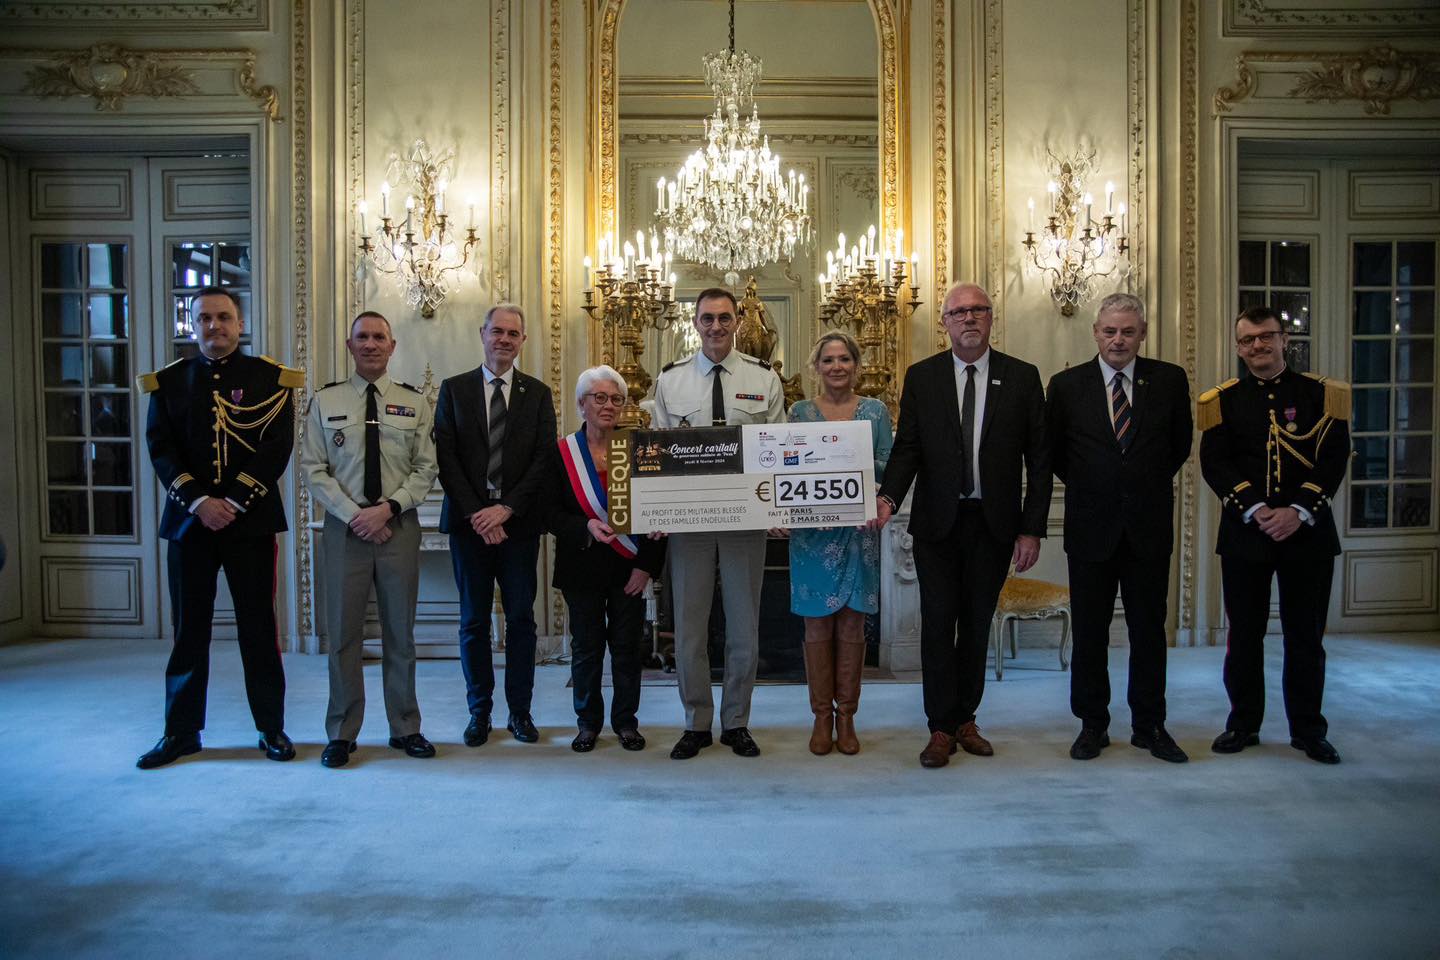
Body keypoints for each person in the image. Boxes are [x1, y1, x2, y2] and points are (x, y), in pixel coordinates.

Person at [876, 282, 1050, 769]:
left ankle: (966, 719)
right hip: (938, 524)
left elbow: (1039, 460)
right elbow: (907, 446)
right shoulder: (923, 377)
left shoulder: (1021, 377)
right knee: (938, 626)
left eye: (978, 310)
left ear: (992, 318)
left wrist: (1031, 528)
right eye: (958, 312)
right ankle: (938, 727)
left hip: (993, 524)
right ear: (945, 322)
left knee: (975, 627)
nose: (969, 318)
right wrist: (888, 497)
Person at [135, 286, 302, 769]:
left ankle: (271, 727)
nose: (215, 327)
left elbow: (277, 447)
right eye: (204, 319)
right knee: (189, 630)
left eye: (224, 318)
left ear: (240, 322)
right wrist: (199, 502)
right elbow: (160, 449)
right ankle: (181, 732)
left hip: (249, 523)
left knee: (258, 629)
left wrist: (229, 501)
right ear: (192, 325)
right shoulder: (169, 382)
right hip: (190, 525)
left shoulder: (270, 379)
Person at [1199, 305, 1350, 764]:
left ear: (1286, 339)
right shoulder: (1220, 400)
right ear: (1238, 346)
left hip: (1307, 535)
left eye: (1266, 337)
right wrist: (1259, 509)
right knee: (1243, 636)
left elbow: (1334, 458)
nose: (1257, 347)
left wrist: (1299, 510)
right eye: (1247, 340)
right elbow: (1215, 463)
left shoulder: (1324, 395)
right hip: (1247, 533)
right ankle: (1242, 724)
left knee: (1305, 638)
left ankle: (1308, 730)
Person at [1046, 293, 1193, 764]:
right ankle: (1093, 725)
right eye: (1110, 331)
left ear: (1142, 333)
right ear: (1095, 332)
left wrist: (1135, 484)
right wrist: (1101, 484)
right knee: (1090, 632)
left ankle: (1150, 725)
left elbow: (1179, 446)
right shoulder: (1066, 385)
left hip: (1148, 528)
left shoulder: (1169, 380)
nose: (1118, 340)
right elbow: (1057, 454)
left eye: (1128, 331)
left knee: (1149, 630)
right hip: (1091, 528)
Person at [301, 311, 439, 768]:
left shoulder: (413, 404)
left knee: (401, 634)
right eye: (363, 337)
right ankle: (341, 731)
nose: (372, 344)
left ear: (392, 346)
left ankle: (405, 727)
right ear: (350, 344)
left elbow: (425, 468)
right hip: (345, 532)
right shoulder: (326, 401)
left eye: (380, 337)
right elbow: (313, 470)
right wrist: (354, 515)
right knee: (343, 635)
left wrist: (388, 508)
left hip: (397, 528)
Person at [652, 287, 785, 759]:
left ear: (738, 322)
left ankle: (736, 722)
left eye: (724, 318)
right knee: (689, 627)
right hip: (690, 522)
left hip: (746, 520)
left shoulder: (764, 378)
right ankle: (696, 722)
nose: (715, 327)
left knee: (744, 627)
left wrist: (775, 511)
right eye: (707, 319)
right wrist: (658, 512)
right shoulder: (670, 381)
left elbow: (777, 449)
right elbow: (656, 455)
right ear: (695, 323)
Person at [435, 304, 557, 747]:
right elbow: (446, 459)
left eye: (513, 334)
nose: (504, 339)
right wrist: (478, 514)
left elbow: (543, 460)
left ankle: (520, 713)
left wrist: (505, 510)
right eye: (497, 331)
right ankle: (479, 712)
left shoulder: (538, 394)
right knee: (473, 622)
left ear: (523, 340)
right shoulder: (453, 390)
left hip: (519, 526)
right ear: (482, 334)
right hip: (470, 526)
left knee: (522, 621)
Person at [542, 366, 666, 753]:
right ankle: (588, 723)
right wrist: (585, 527)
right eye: (599, 398)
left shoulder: (640, 449)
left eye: (616, 399)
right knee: (587, 649)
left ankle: (626, 723)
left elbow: (657, 514)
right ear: (581, 404)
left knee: (628, 649)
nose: (608, 406)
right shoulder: (562, 453)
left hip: (629, 567)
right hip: (582, 566)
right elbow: (547, 512)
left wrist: (646, 565)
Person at [785, 331, 892, 755]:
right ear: (817, 367)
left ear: (856, 364)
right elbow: (784, 468)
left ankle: (846, 717)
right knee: (816, 622)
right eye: (828, 360)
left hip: (859, 531)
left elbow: (888, 462)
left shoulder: (876, 412)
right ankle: (820, 718)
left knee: (852, 621)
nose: (836, 367)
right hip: (812, 536)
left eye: (844, 359)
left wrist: (873, 491)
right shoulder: (798, 413)